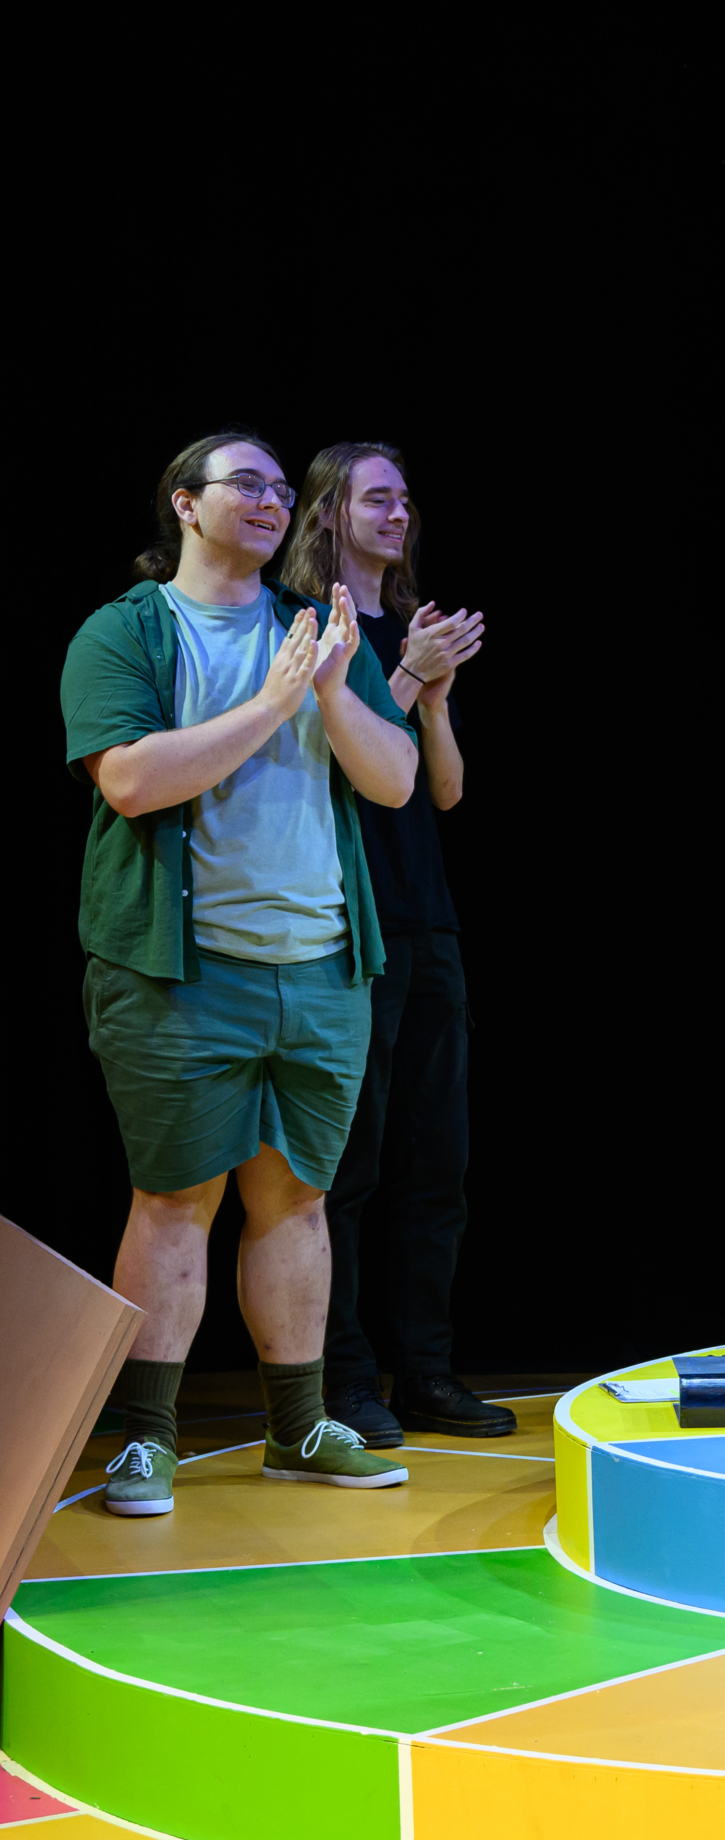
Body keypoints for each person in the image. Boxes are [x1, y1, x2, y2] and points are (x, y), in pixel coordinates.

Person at [63, 432, 418, 1515]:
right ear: (185, 504)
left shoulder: (318, 630)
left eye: (279, 487)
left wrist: (328, 692)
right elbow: (129, 780)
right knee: (175, 1200)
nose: (272, 502)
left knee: (297, 1201)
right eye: (246, 485)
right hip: (182, 970)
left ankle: (300, 1426)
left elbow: (395, 780)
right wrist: (269, 704)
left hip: (320, 966)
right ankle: (144, 1439)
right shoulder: (126, 632)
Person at [278, 442, 508, 1445]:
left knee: (436, 1165)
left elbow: (442, 788)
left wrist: (436, 691)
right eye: (378, 497)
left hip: (430, 920)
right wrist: (410, 678)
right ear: (328, 511)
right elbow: (341, 758)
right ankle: (343, 1382)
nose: (398, 513)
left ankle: (426, 1372)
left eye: (406, 499)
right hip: (349, 920)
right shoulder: (308, 627)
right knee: (352, 1168)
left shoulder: (409, 632)